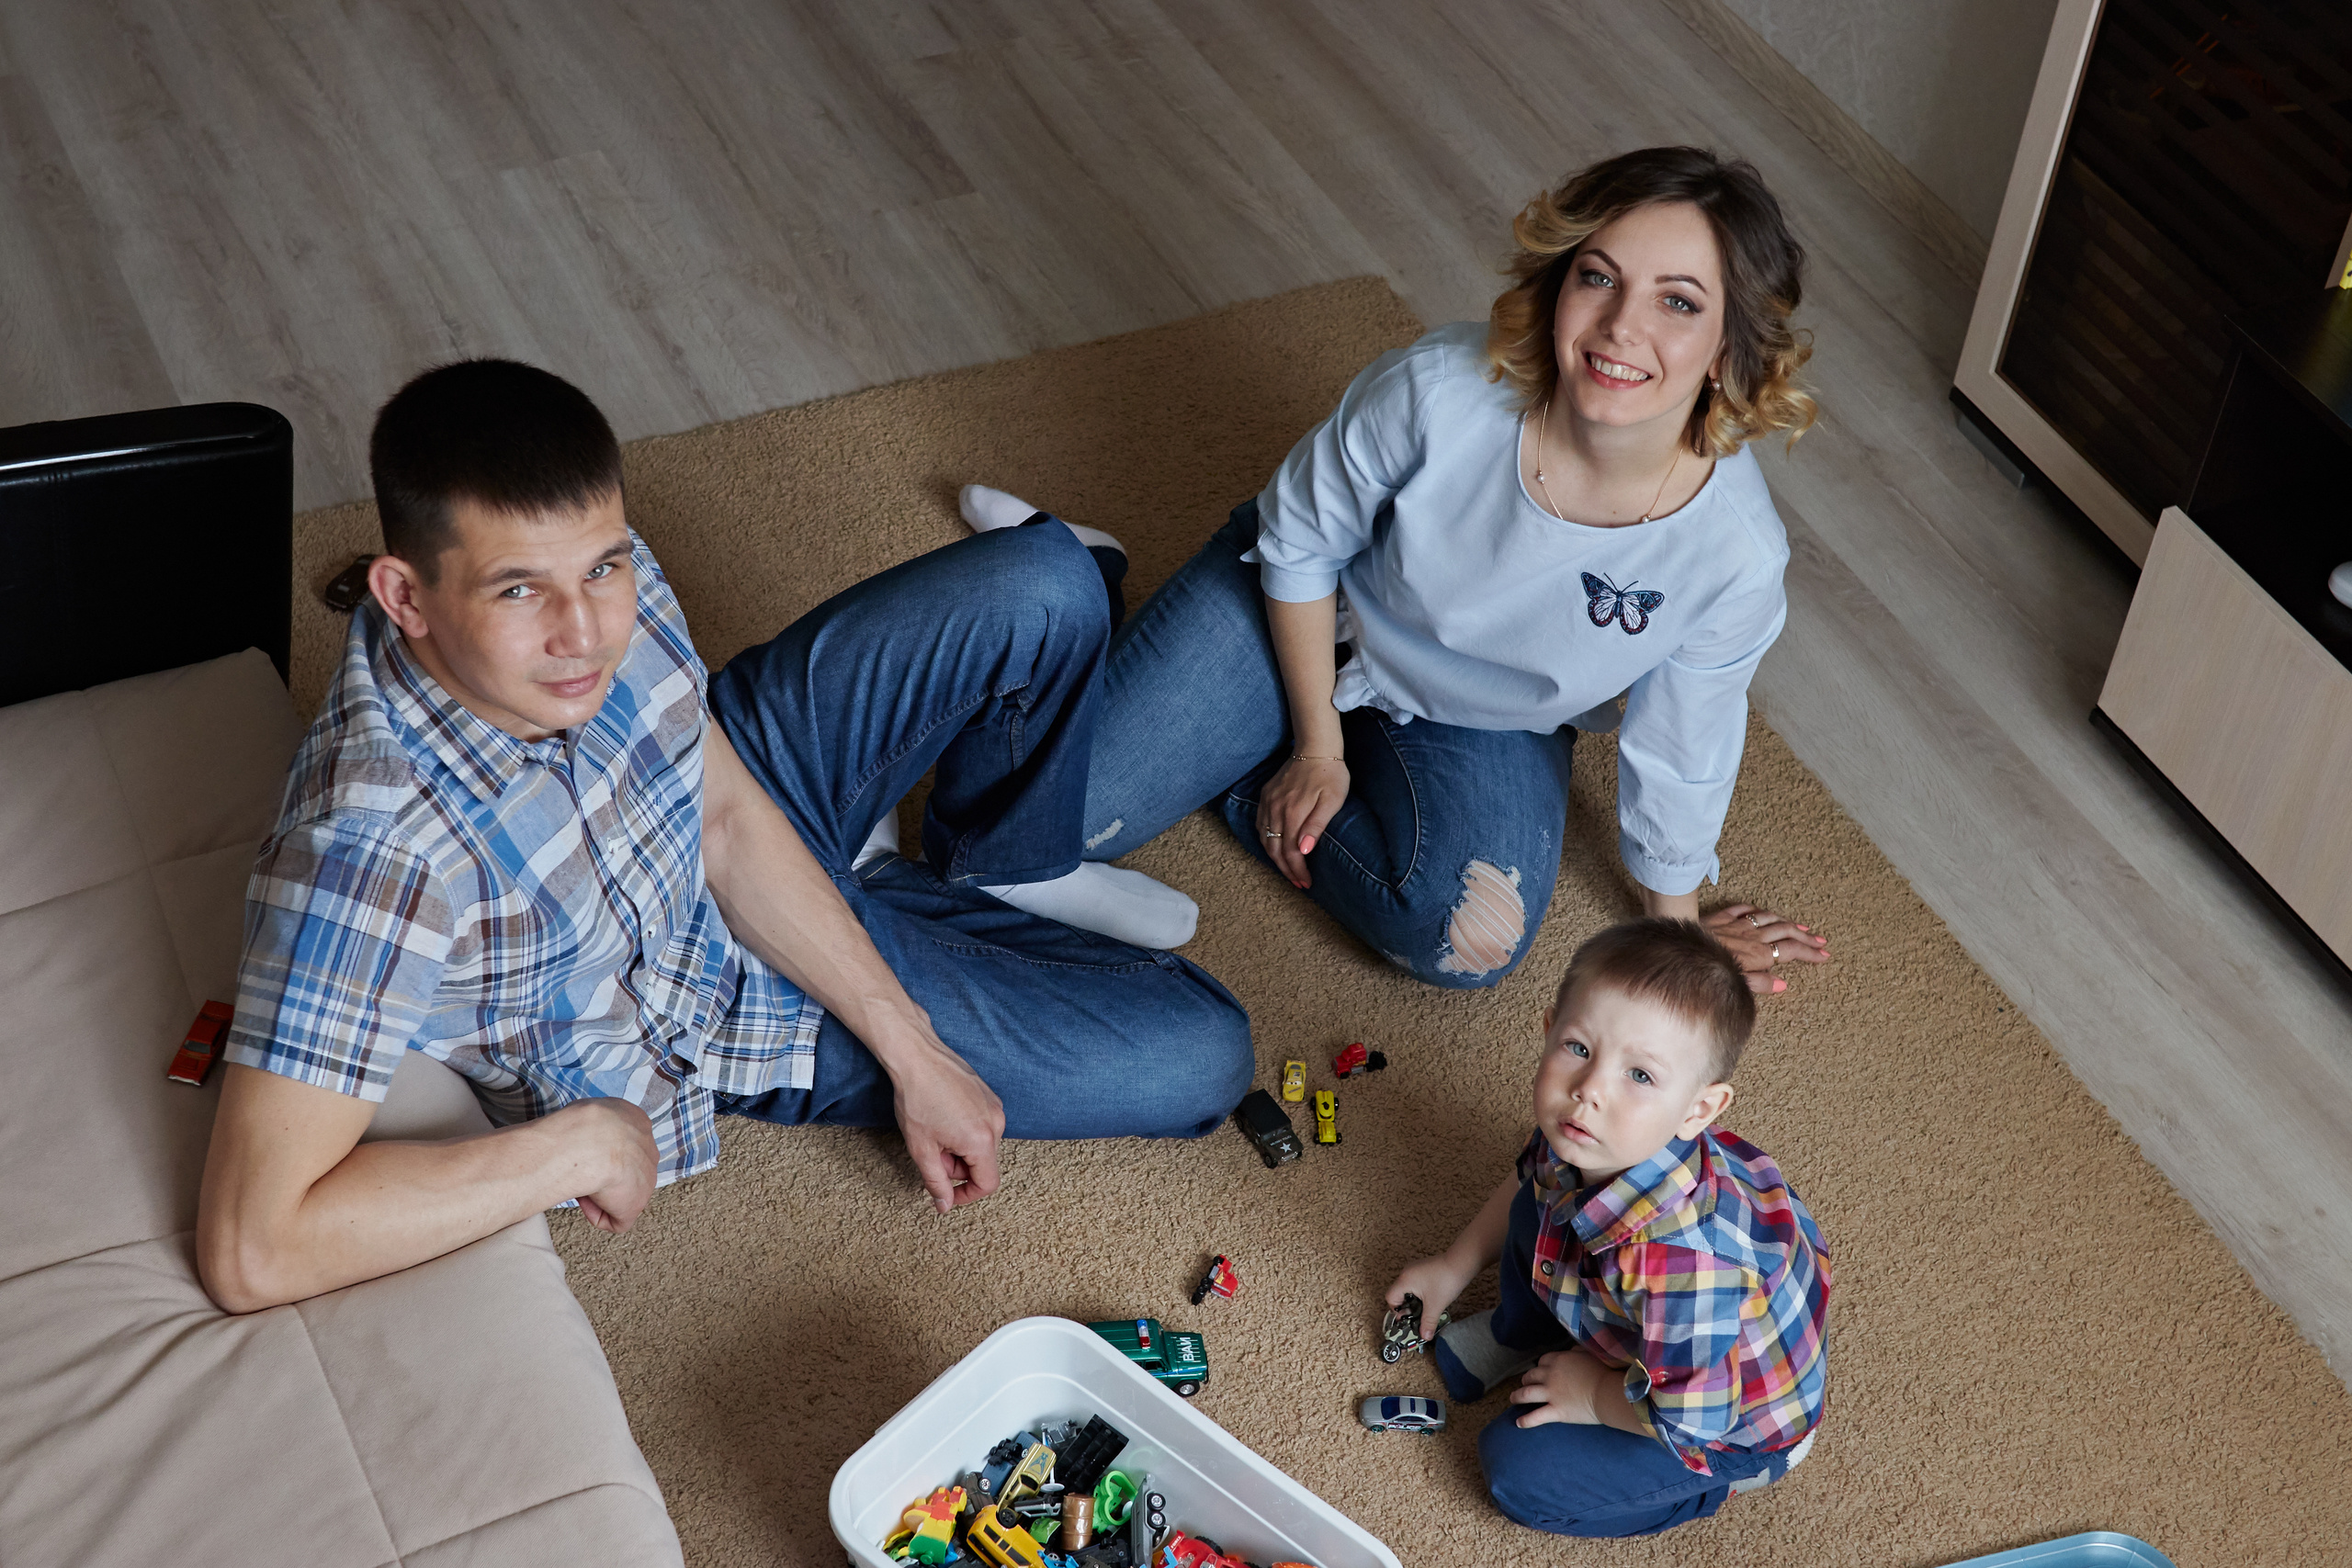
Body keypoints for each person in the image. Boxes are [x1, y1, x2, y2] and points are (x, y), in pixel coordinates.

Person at [196, 359, 1251, 1314]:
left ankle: (1000, 859)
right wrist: (582, 1141)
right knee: (1202, 1052)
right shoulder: (369, 854)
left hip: (723, 786)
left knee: (1050, 579)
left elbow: (722, 808)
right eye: (519, 590)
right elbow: (256, 1245)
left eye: (603, 569)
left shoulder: (602, 586)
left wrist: (913, 1043)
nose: (583, 634)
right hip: (708, 1000)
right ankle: (883, 886)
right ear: (402, 596)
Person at [967, 146, 1835, 991]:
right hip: (1313, 604)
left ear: (1730, 348)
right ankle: (1084, 577)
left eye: (1679, 303)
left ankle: (1229, 754)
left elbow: (1682, 747)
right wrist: (1317, 745)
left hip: (1488, 715)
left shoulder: (1736, 556)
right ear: (1561, 283)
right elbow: (1303, 544)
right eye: (1598, 277)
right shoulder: (1440, 388)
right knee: (1041, 825)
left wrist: (1677, 934)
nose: (1621, 327)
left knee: (1469, 941)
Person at [1385, 919, 1830, 1537]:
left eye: (1640, 1075)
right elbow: (1527, 1185)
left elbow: (1693, 1418)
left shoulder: (1683, 1269)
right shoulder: (1586, 1135)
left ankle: (1717, 1483)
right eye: (1577, 1047)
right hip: (1649, 1316)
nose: (1588, 1089)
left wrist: (1594, 1395)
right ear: (1547, 1031)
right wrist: (1454, 1265)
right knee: (1538, 1201)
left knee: (1518, 1470)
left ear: (1697, 1109)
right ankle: (1526, 1334)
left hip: (1720, 1416)